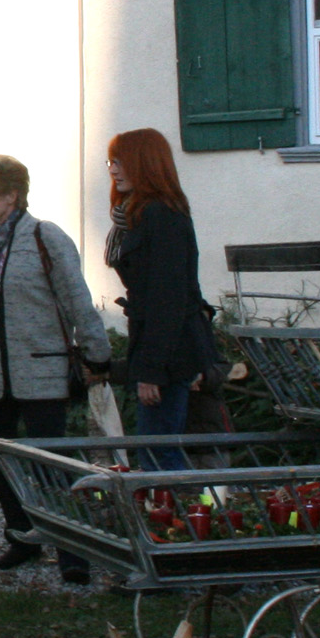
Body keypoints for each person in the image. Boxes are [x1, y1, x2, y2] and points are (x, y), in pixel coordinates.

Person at [0, 154, 112, 584]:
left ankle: (72, 549)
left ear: (12, 196)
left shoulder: (45, 238)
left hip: (43, 373)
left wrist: (97, 355)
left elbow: (76, 297)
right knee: (0, 462)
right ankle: (22, 539)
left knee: (51, 464)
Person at [104, 128, 228, 468]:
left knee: (159, 451)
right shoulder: (139, 215)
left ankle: (181, 501)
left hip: (173, 353)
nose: (113, 170)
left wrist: (152, 371)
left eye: (121, 161)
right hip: (165, 348)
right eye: (110, 162)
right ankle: (180, 499)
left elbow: (167, 299)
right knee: (158, 448)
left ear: (144, 163)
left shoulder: (160, 215)